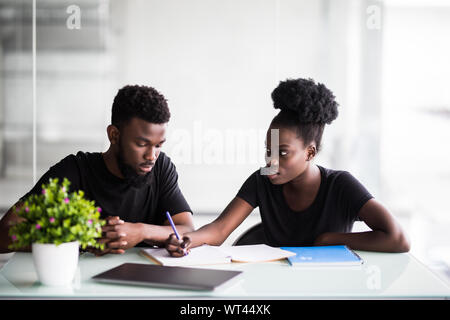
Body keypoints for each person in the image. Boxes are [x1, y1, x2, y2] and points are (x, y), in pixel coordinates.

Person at [166, 78, 410, 256]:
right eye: (268, 150)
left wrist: (328, 240)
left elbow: (397, 239)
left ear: (310, 152)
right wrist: (188, 239)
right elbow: (219, 230)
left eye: (283, 153)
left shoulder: (341, 185)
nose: (271, 162)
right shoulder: (261, 180)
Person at [0, 85, 194, 255]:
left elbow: (187, 229)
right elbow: (5, 233)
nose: (152, 156)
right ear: (114, 135)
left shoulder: (161, 167)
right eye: (142, 144)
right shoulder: (75, 170)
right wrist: (85, 236)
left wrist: (141, 231)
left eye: (158, 145)